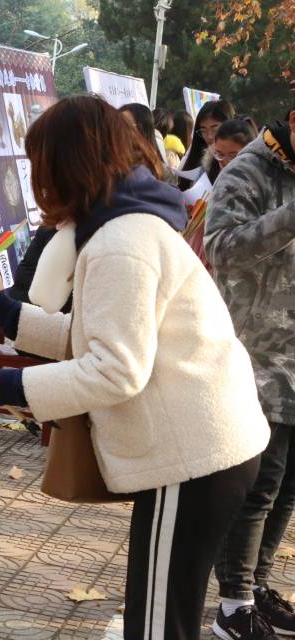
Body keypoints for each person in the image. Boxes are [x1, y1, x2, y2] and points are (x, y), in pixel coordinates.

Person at [0, 95, 268, 639]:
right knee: (161, 619)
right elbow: (98, 334)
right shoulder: (126, 225)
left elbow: (115, 369)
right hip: (203, 451)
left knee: (155, 626)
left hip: (193, 456)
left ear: (67, 165)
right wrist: (4, 310)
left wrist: (9, 384)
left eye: (40, 164)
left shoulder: (119, 242)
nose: (37, 182)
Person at [205, 107, 295, 640]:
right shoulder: (248, 171)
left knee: (287, 489)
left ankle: (256, 589)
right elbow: (220, 249)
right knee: (258, 486)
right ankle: (233, 606)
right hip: (256, 355)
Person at [187, 118, 258, 272]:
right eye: (219, 155)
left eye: (233, 156)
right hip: (203, 258)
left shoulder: (262, 186)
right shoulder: (211, 174)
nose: (224, 161)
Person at [180, 99, 236, 188]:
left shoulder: (237, 158)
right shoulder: (195, 155)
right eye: (204, 130)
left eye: (214, 129)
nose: (209, 136)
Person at [119, 103, 176, 183]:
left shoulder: (161, 172)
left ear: (143, 130)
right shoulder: (108, 163)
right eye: (116, 123)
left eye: (125, 125)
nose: (118, 129)